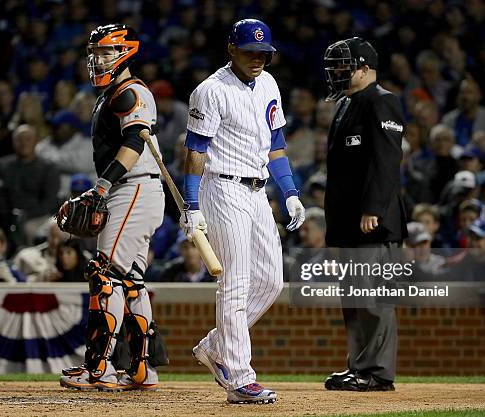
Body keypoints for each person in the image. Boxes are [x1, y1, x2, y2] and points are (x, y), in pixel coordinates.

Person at [182, 19, 305, 404]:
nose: (258, 58)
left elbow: (277, 145)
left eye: (263, 52)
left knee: (270, 281)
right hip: (222, 188)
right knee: (234, 283)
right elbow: (194, 152)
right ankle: (238, 377)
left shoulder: (268, 83)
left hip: (257, 190)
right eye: (251, 51)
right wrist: (192, 204)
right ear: (232, 49)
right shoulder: (210, 91)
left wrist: (290, 193)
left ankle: (216, 346)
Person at [60, 23, 168, 392]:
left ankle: (99, 368)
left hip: (132, 187)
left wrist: (101, 187)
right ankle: (141, 369)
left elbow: (134, 144)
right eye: (95, 54)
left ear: (124, 52)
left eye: (105, 53)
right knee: (131, 281)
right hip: (138, 190)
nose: (98, 60)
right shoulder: (113, 92)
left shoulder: (130, 91)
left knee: (102, 274)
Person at [322, 37, 406, 392]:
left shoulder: (381, 101)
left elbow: (386, 160)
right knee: (354, 299)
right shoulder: (347, 104)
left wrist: (373, 207)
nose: (338, 72)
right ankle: (359, 367)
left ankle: (377, 372)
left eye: (344, 65)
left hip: (374, 222)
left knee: (373, 299)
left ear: (364, 68)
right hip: (349, 222)